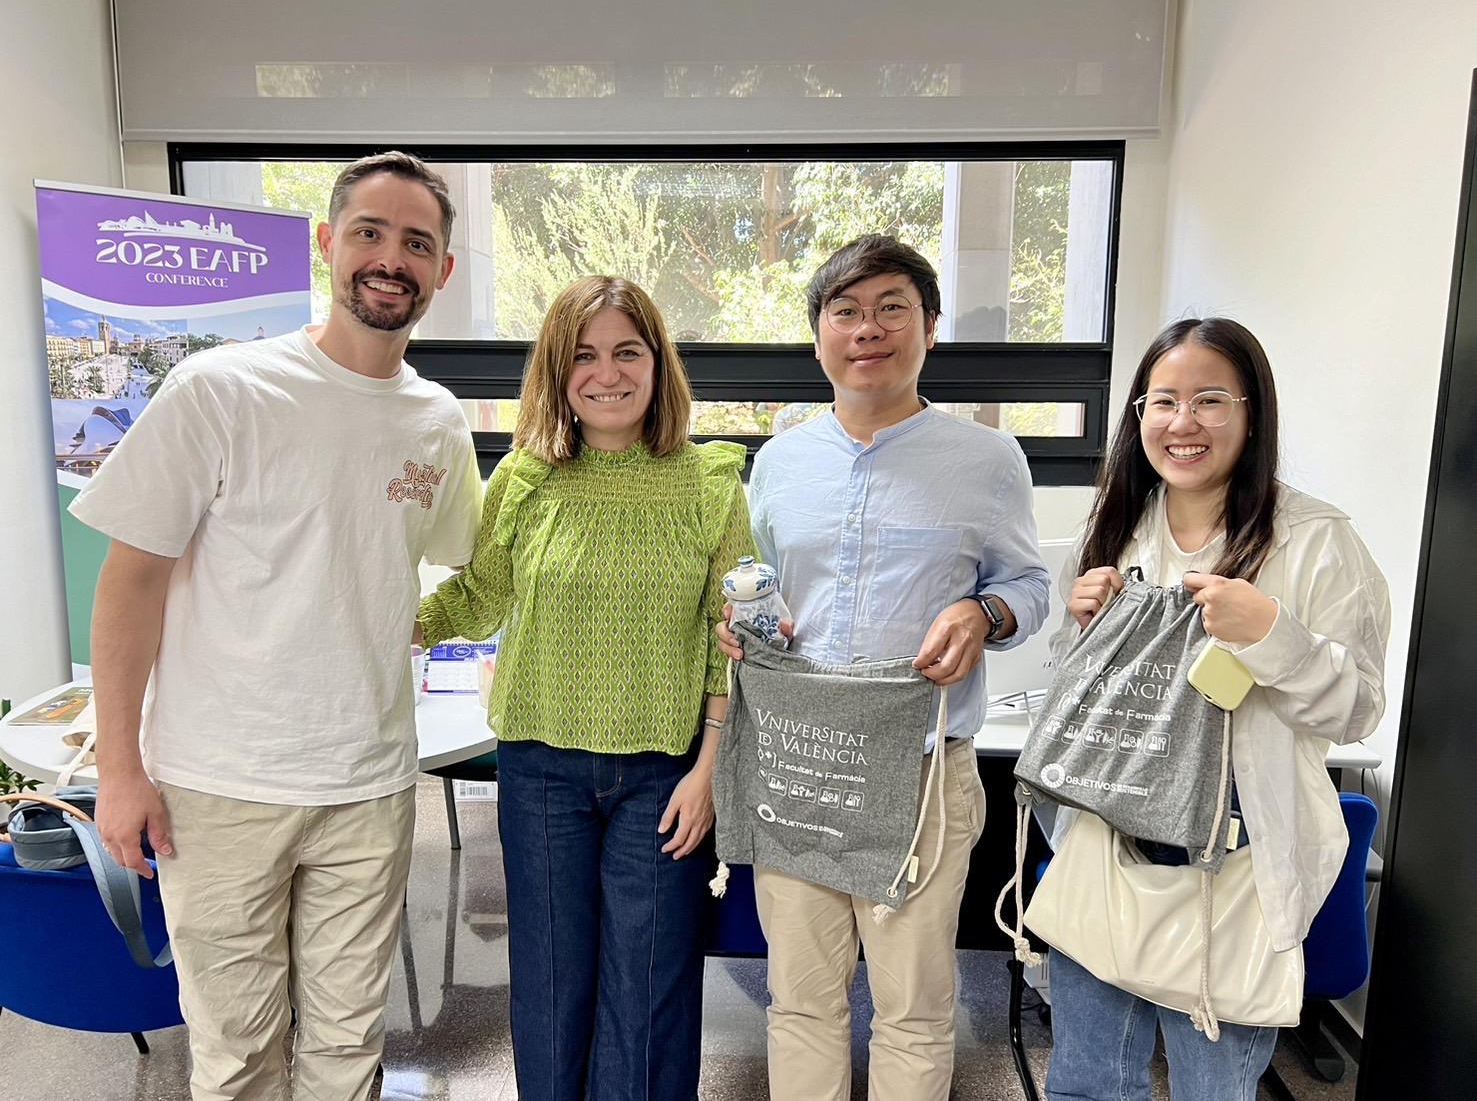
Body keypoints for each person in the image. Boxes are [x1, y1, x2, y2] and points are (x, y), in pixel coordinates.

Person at [71, 151, 482, 1101]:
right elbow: (130, 584)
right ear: (327, 243)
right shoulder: (221, 389)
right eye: (369, 233)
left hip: (369, 784)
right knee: (237, 1055)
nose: (391, 259)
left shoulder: (436, 421)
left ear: (442, 270)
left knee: (348, 1051)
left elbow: (466, 557)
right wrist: (121, 769)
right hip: (219, 785)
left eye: (416, 243)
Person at [717, 234, 1051, 1100]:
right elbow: (760, 589)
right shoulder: (779, 463)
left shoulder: (987, 459)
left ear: (929, 328)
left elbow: (1028, 586)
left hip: (921, 769)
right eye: (845, 311)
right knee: (800, 1000)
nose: (867, 328)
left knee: (912, 1007)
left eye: (891, 308)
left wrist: (982, 614)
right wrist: (744, 628)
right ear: (818, 337)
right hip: (800, 764)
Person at [415, 275, 754, 1101]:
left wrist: (707, 772)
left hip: (663, 776)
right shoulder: (526, 479)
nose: (606, 374)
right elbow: (479, 595)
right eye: (583, 355)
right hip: (539, 770)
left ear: (657, 363)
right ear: (557, 372)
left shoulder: (709, 483)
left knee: (649, 985)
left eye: (626, 352)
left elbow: (731, 641)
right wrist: (384, 625)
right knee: (549, 982)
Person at [1043, 317, 1391, 1101]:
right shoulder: (1115, 528)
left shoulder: (1314, 540)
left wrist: (1271, 634)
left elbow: (1357, 709)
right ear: (1138, 415)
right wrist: (1081, 631)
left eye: (1208, 400)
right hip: (1111, 842)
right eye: (1162, 401)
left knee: (1211, 1088)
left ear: (1250, 413)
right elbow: (1072, 698)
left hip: (1233, 862)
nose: (1182, 423)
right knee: (1087, 1083)